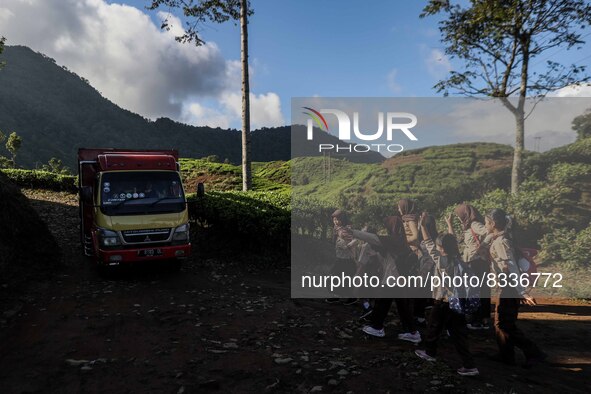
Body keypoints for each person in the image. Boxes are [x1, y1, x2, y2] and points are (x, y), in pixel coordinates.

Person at [415, 212, 479, 377]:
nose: (436, 248)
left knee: (434, 327)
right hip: (456, 302)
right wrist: (449, 225)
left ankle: (430, 353)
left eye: (438, 246)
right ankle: (469, 364)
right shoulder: (457, 258)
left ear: (441, 248)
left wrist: (422, 226)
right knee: (458, 335)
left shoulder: (442, 262)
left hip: (443, 302)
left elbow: (429, 244)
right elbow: (449, 239)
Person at [485, 209, 546, 368]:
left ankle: (534, 353)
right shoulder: (500, 238)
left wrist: (522, 292)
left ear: (493, 224)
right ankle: (506, 354)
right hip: (506, 286)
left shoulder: (501, 242)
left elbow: (511, 267)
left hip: (509, 287)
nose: (485, 225)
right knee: (503, 322)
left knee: (504, 324)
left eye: (486, 222)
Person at [352, 216, 421, 344]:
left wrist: (353, 232)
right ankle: (412, 332)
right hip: (399, 278)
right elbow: (379, 245)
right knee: (402, 307)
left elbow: (374, 239)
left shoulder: (394, 240)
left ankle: (377, 327)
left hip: (394, 278)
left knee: (383, 303)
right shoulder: (400, 240)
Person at [447, 203, 491, 330]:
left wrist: (483, 245)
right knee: (479, 290)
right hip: (474, 261)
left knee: (476, 291)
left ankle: (478, 320)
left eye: (459, 215)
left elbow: (489, 231)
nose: (459, 217)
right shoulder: (467, 226)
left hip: (477, 262)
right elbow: (454, 240)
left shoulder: (474, 224)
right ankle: (481, 319)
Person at [325, 209, 357, 305]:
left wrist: (346, 245)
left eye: (337, 219)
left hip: (347, 259)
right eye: (334, 219)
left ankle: (351, 297)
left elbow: (354, 240)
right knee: (336, 277)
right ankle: (337, 295)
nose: (335, 221)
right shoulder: (337, 228)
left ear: (343, 219)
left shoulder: (347, 229)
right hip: (340, 257)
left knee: (344, 278)